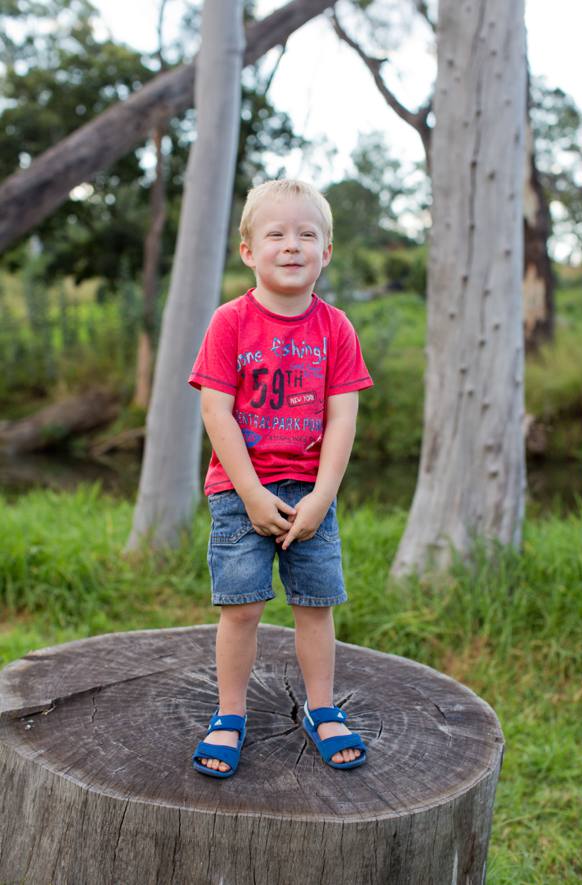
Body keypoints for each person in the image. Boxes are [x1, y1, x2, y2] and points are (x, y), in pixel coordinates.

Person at [189, 179, 372, 777]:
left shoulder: (336, 329)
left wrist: (323, 496)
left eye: (306, 234)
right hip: (240, 493)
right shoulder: (230, 323)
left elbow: (343, 418)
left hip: (311, 498)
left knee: (315, 606)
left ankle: (321, 708)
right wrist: (249, 492)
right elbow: (216, 412)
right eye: (276, 234)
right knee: (241, 608)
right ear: (248, 250)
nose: (291, 245)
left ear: (326, 252)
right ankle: (230, 715)